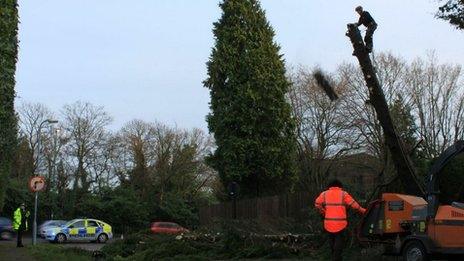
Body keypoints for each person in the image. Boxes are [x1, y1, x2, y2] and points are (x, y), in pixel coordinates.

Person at [314, 179, 366, 261]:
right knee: (339, 245)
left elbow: (317, 203)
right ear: (340, 186)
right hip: (340, 225)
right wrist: (364, 211)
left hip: (328, 224)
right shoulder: (343, 194)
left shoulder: (324, 194)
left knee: (332, 243)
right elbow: (355, 206)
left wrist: (324, 212)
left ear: (330, 186)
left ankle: (335, 257)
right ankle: (336, 258)